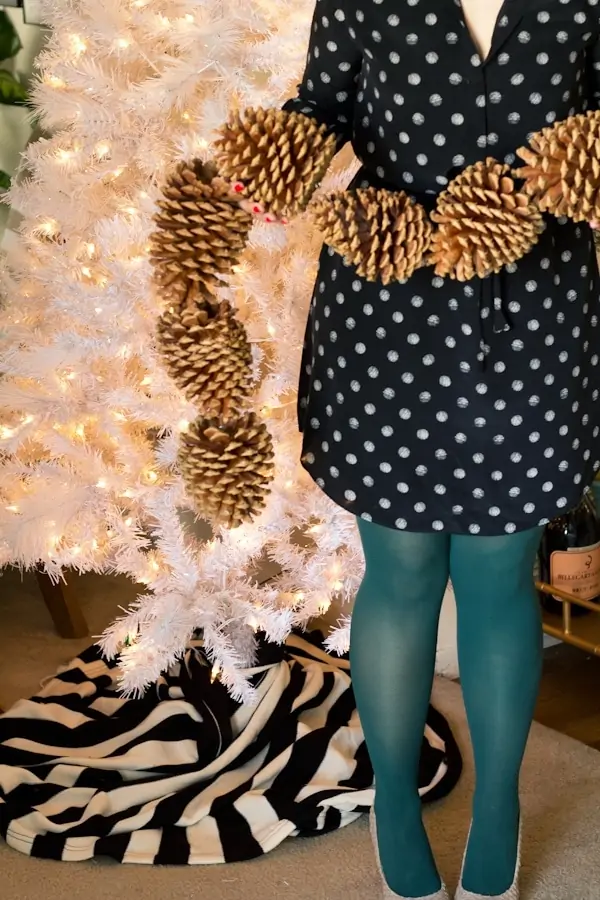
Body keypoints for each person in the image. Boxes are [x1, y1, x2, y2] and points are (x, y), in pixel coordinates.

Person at [236, 1, 600, 898]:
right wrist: (272, 167)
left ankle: (501, 804)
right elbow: (326, 102)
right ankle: (395, 802)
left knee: (500, 570)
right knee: (397, 571)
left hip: (538, 307)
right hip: (390, 305)